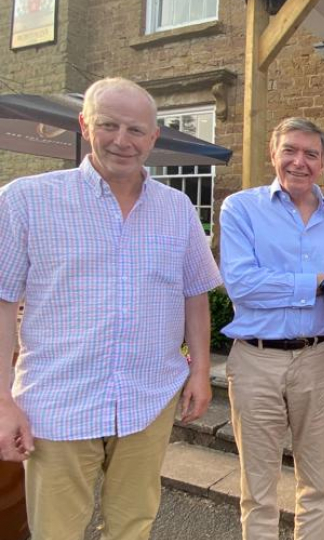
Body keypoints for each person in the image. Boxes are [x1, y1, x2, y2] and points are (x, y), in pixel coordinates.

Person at [0, 77, 221, 540]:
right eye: (108, 125)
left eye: (136, 130)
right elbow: (2, 304)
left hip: (148, 397)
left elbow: (195, 295)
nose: (122, 140)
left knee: (133, 525)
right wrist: (2, 401)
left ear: (153, 137)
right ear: (85, 125)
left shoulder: (177, 208)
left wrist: (200, 371)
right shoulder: (25, 200)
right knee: (56, 531)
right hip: (58, 401)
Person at [219, 117, 324, 540]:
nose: (299, 162)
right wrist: (317, 283)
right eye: (290, 151)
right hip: (256, 361)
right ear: (273, 153)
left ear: (322, 162)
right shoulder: (240, 208)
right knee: (258, 489)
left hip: (321, 359)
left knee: (317, 484)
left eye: (311, 154)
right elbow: (243, 285)